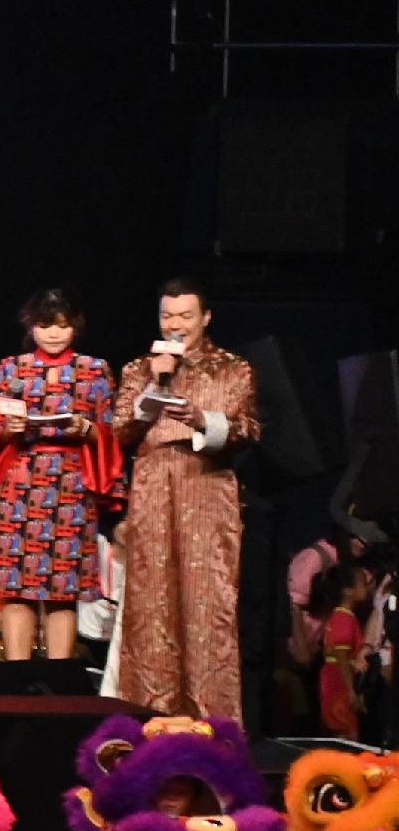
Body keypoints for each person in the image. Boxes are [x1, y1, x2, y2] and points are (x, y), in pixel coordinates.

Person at [111, 278, 261, 721]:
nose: (176, 325)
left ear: (206, 318)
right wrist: (152, 390)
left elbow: (248, 430)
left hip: (207, 490)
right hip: (155, 488)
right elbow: (120, 432)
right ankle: (150, 721)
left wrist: (202, 420)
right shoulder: (141, 368)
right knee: (152, 606)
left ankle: (212, 724)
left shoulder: (234, 369)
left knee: (205, 608)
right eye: (168, 316)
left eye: (185, 316)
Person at [0, 287, 122, 668]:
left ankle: (57, 683)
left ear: (75, 327)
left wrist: (87, 429)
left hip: (70, 487)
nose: (53, 334)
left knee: (61, 593)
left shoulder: (94, 369)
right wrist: (10, 429)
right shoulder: (11, 368)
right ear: (30, 327)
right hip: (19, 484)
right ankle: (17, 680)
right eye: (44, 326)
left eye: (62, 326)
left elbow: (112, 431)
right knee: (15, 591)